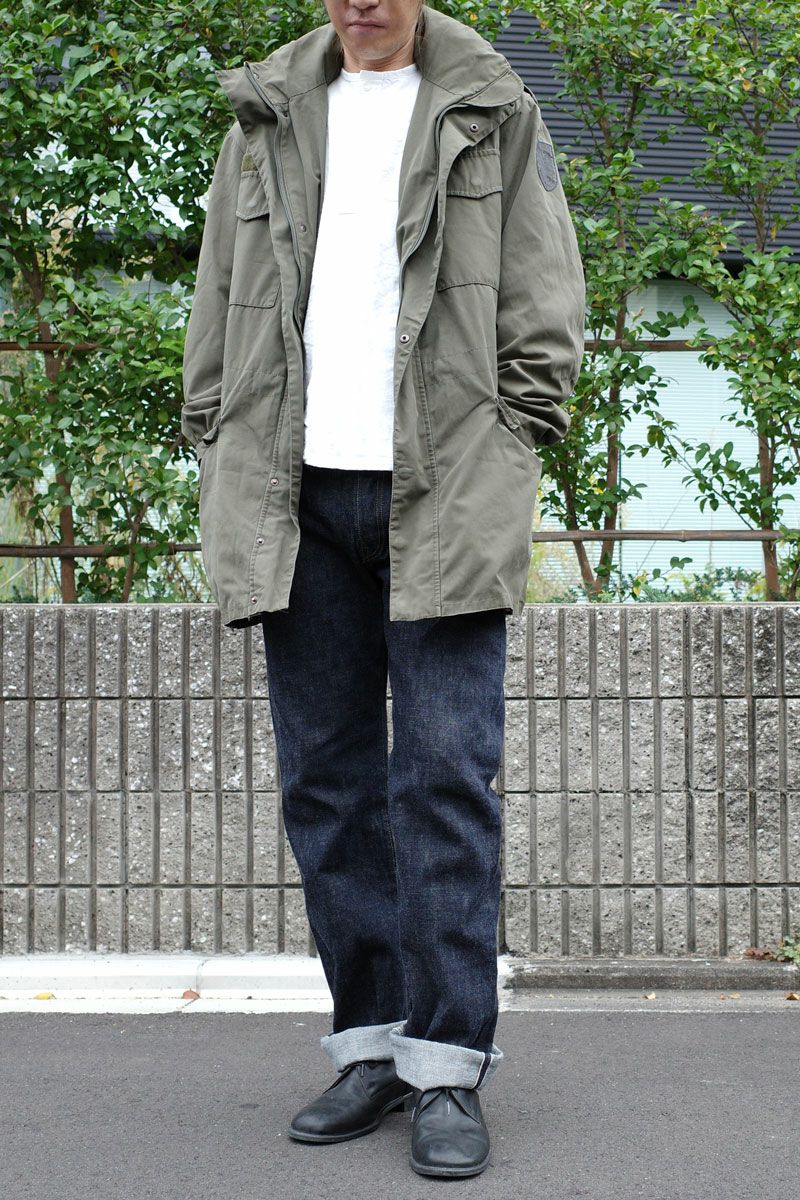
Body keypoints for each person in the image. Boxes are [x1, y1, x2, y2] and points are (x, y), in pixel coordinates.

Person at [181, 0, 585, 1179]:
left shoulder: (493, 109)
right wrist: (212, 427)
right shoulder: (266, 114)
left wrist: (516, 431)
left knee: (444, 782)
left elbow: (542, 286)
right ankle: (369, 1044)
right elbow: (219, 284)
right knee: (328, 786)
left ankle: (446, 1064)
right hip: (292, 490)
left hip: (444, 487)